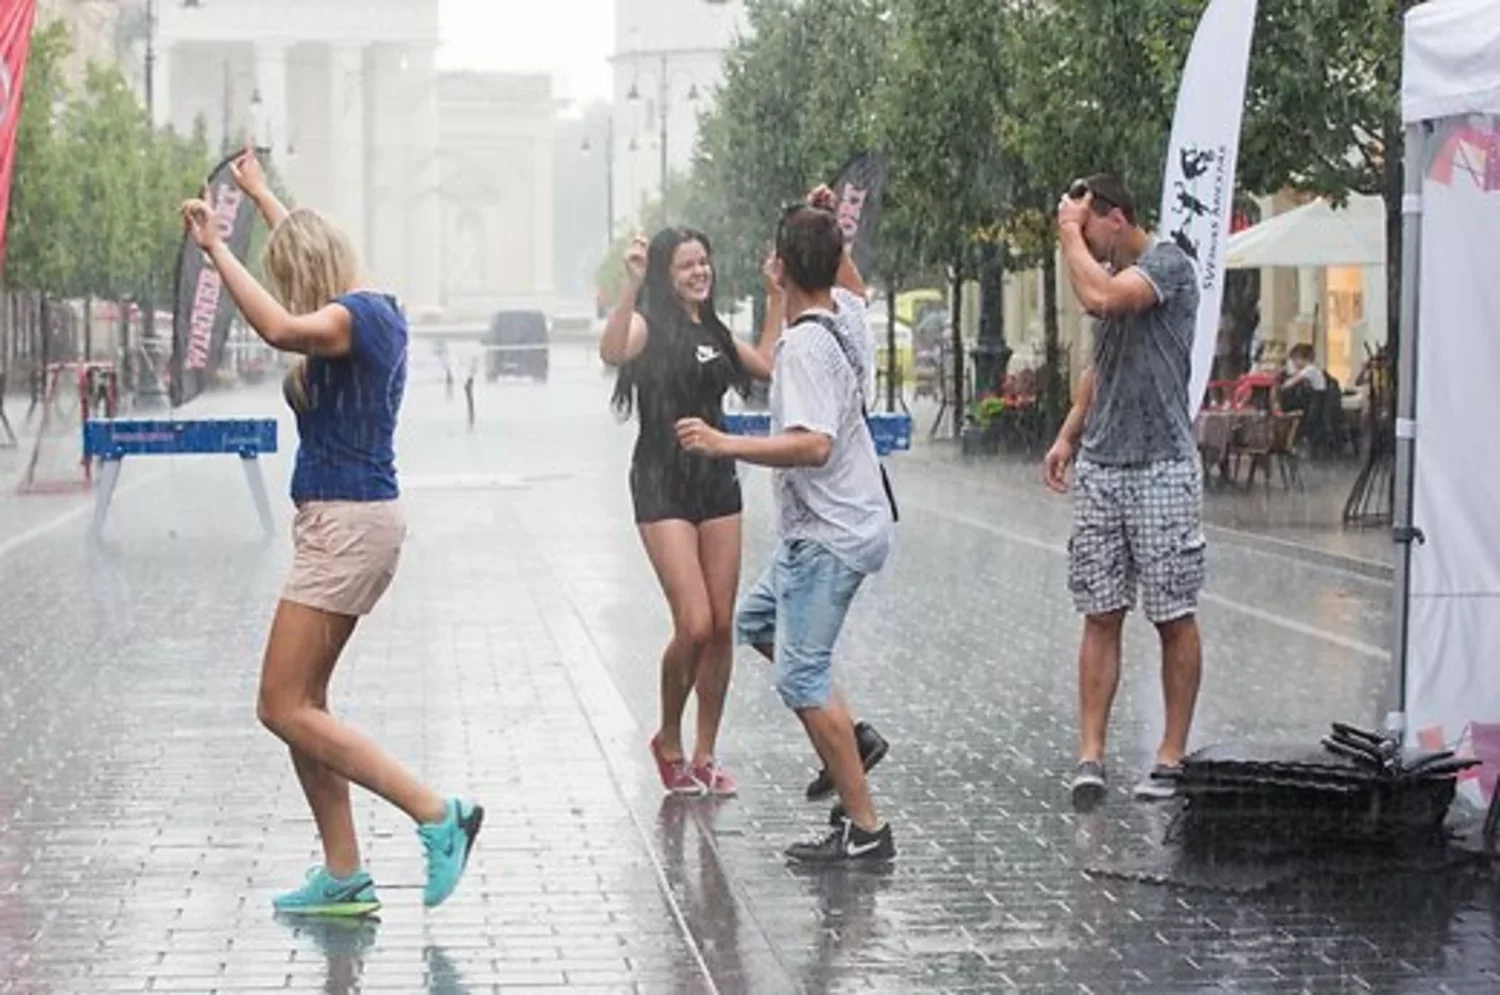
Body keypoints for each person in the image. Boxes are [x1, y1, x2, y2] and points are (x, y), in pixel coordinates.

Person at [180, 145, 482, 917]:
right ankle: (344, 873)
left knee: (281, 704)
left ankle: (436, 813)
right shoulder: (363, 303)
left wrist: (217, 249)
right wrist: (261, 194)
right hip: (342, 524)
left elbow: (281, 324)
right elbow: (305, 252)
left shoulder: (358, 318)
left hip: (348, 526)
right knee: (306, 706)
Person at [677, 192, 896, 864]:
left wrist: (724, 443)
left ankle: (866, 828)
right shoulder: (847, 314)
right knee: (754, 622)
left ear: (778, 268)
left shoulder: (802, 346)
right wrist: (826, 225)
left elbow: (812, 445)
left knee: (802, 679)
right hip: (849, 520)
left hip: (826, 533)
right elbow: (844, 273)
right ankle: (852, 738)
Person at [1042, 174, 1205, 810]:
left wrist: (1065, 234)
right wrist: (1066, 436)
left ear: (1116, 219)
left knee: (1172, 614)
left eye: (1091, 234)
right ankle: (1091, 754)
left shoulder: (1168, 264)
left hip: (1162, 464)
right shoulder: (1105, 272)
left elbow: (1107, 299)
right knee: (1100, 611)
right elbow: (1099, 365)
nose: (1088, 249)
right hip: (1104, 466)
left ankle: (1171, 753)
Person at [599, 227, 778, 797]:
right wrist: (630, 284)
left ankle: (704, 754)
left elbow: (769, 364)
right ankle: (668, 739)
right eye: (685, 266)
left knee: (722, 627)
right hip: (661, 482)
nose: (699, 273)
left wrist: (776, 295)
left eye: (704, 262)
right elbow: (611, 349)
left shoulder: (716, 330)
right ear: (664, 274)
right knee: (694, 623)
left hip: (717, 479)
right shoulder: (650, 324)